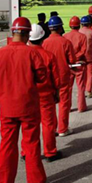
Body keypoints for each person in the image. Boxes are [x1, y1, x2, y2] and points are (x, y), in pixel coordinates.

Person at [0, 17, 48, 183]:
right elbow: (42, 77)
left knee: (7, 145)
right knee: (31, 145)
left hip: (7, 108)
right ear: (28, 34)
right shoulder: (32, 53)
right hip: (28, 107)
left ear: (12, 32)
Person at [28, 24, 63, 162]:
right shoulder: (48, 56)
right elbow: (56, 78)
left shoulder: (24, 55)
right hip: (45, 94)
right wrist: (57, 93)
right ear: (43, 38)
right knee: (48, 124)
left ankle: (27, 151)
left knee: (29, 125)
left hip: (28, 95)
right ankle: (50, 152)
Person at [43, 15, 77, 135]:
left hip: (49, 77)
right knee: (64, 103)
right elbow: (72, 60)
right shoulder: (65, 42)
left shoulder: (44, 43)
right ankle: (62, 129)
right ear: (60, 28)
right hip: (63, 76)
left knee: (50, 104)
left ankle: (52, 128)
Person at [63, 16, 89, 115]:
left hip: (69, 65)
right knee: (81, 86)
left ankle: (68, 107)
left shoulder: (65, 36)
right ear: (79, 25)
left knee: (68, 87)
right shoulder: (82, 37)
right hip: (79, 64)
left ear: (70, 25)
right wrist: (76, 58)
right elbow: (83, 50)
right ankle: (81, 107)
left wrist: (70, 59)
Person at [79, 15, 92, 98]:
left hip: (80, 57)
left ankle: (81, 91)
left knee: (81, 75)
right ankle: (89, 91)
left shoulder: (79, 32)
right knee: (90, 74)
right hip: (90, 56)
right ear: (90, 23)